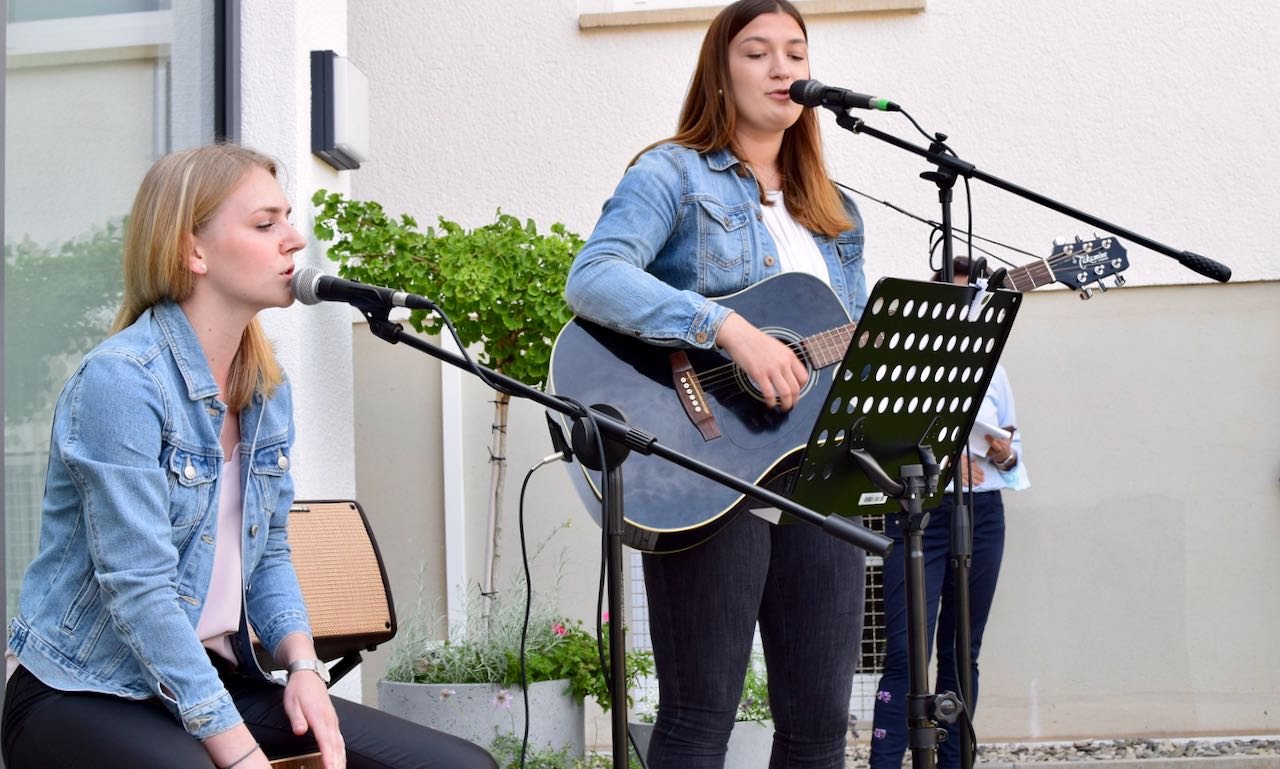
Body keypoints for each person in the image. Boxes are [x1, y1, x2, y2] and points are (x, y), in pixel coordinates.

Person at [1, 144, 497, 769]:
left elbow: (271, 555)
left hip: (207, 675)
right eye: (265, 224)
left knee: (459, 766)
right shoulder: (121, 383)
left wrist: (304, 668)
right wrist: (237, 752)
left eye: (288, 219)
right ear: (193, 251)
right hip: (84, 690)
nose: (294, 240)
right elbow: (141, 591)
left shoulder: (264, 386)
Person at [564, 2, 868, 767]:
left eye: (795, 53)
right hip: (704, 466)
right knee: (701, 716)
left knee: (820, 725)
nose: (782, 69)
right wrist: (727, 330)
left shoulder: (837, 214)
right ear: (721, 74)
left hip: (813, 475)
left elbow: (847, 336)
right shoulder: (672, 172)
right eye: (757, 53)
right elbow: (594, 277)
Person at [868, 256, 1029, 769]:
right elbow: (873, 436)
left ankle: (957, 761)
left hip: (982, 514)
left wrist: (1003, 452)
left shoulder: (995, 369)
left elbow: (1012, 445)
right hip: (919, 514)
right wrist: (942, 455)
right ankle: (887, 762)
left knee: (964, 652)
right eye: (957, 302)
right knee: (905, 654)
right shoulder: (904, 361)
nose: (969, 313)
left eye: (975, 303)